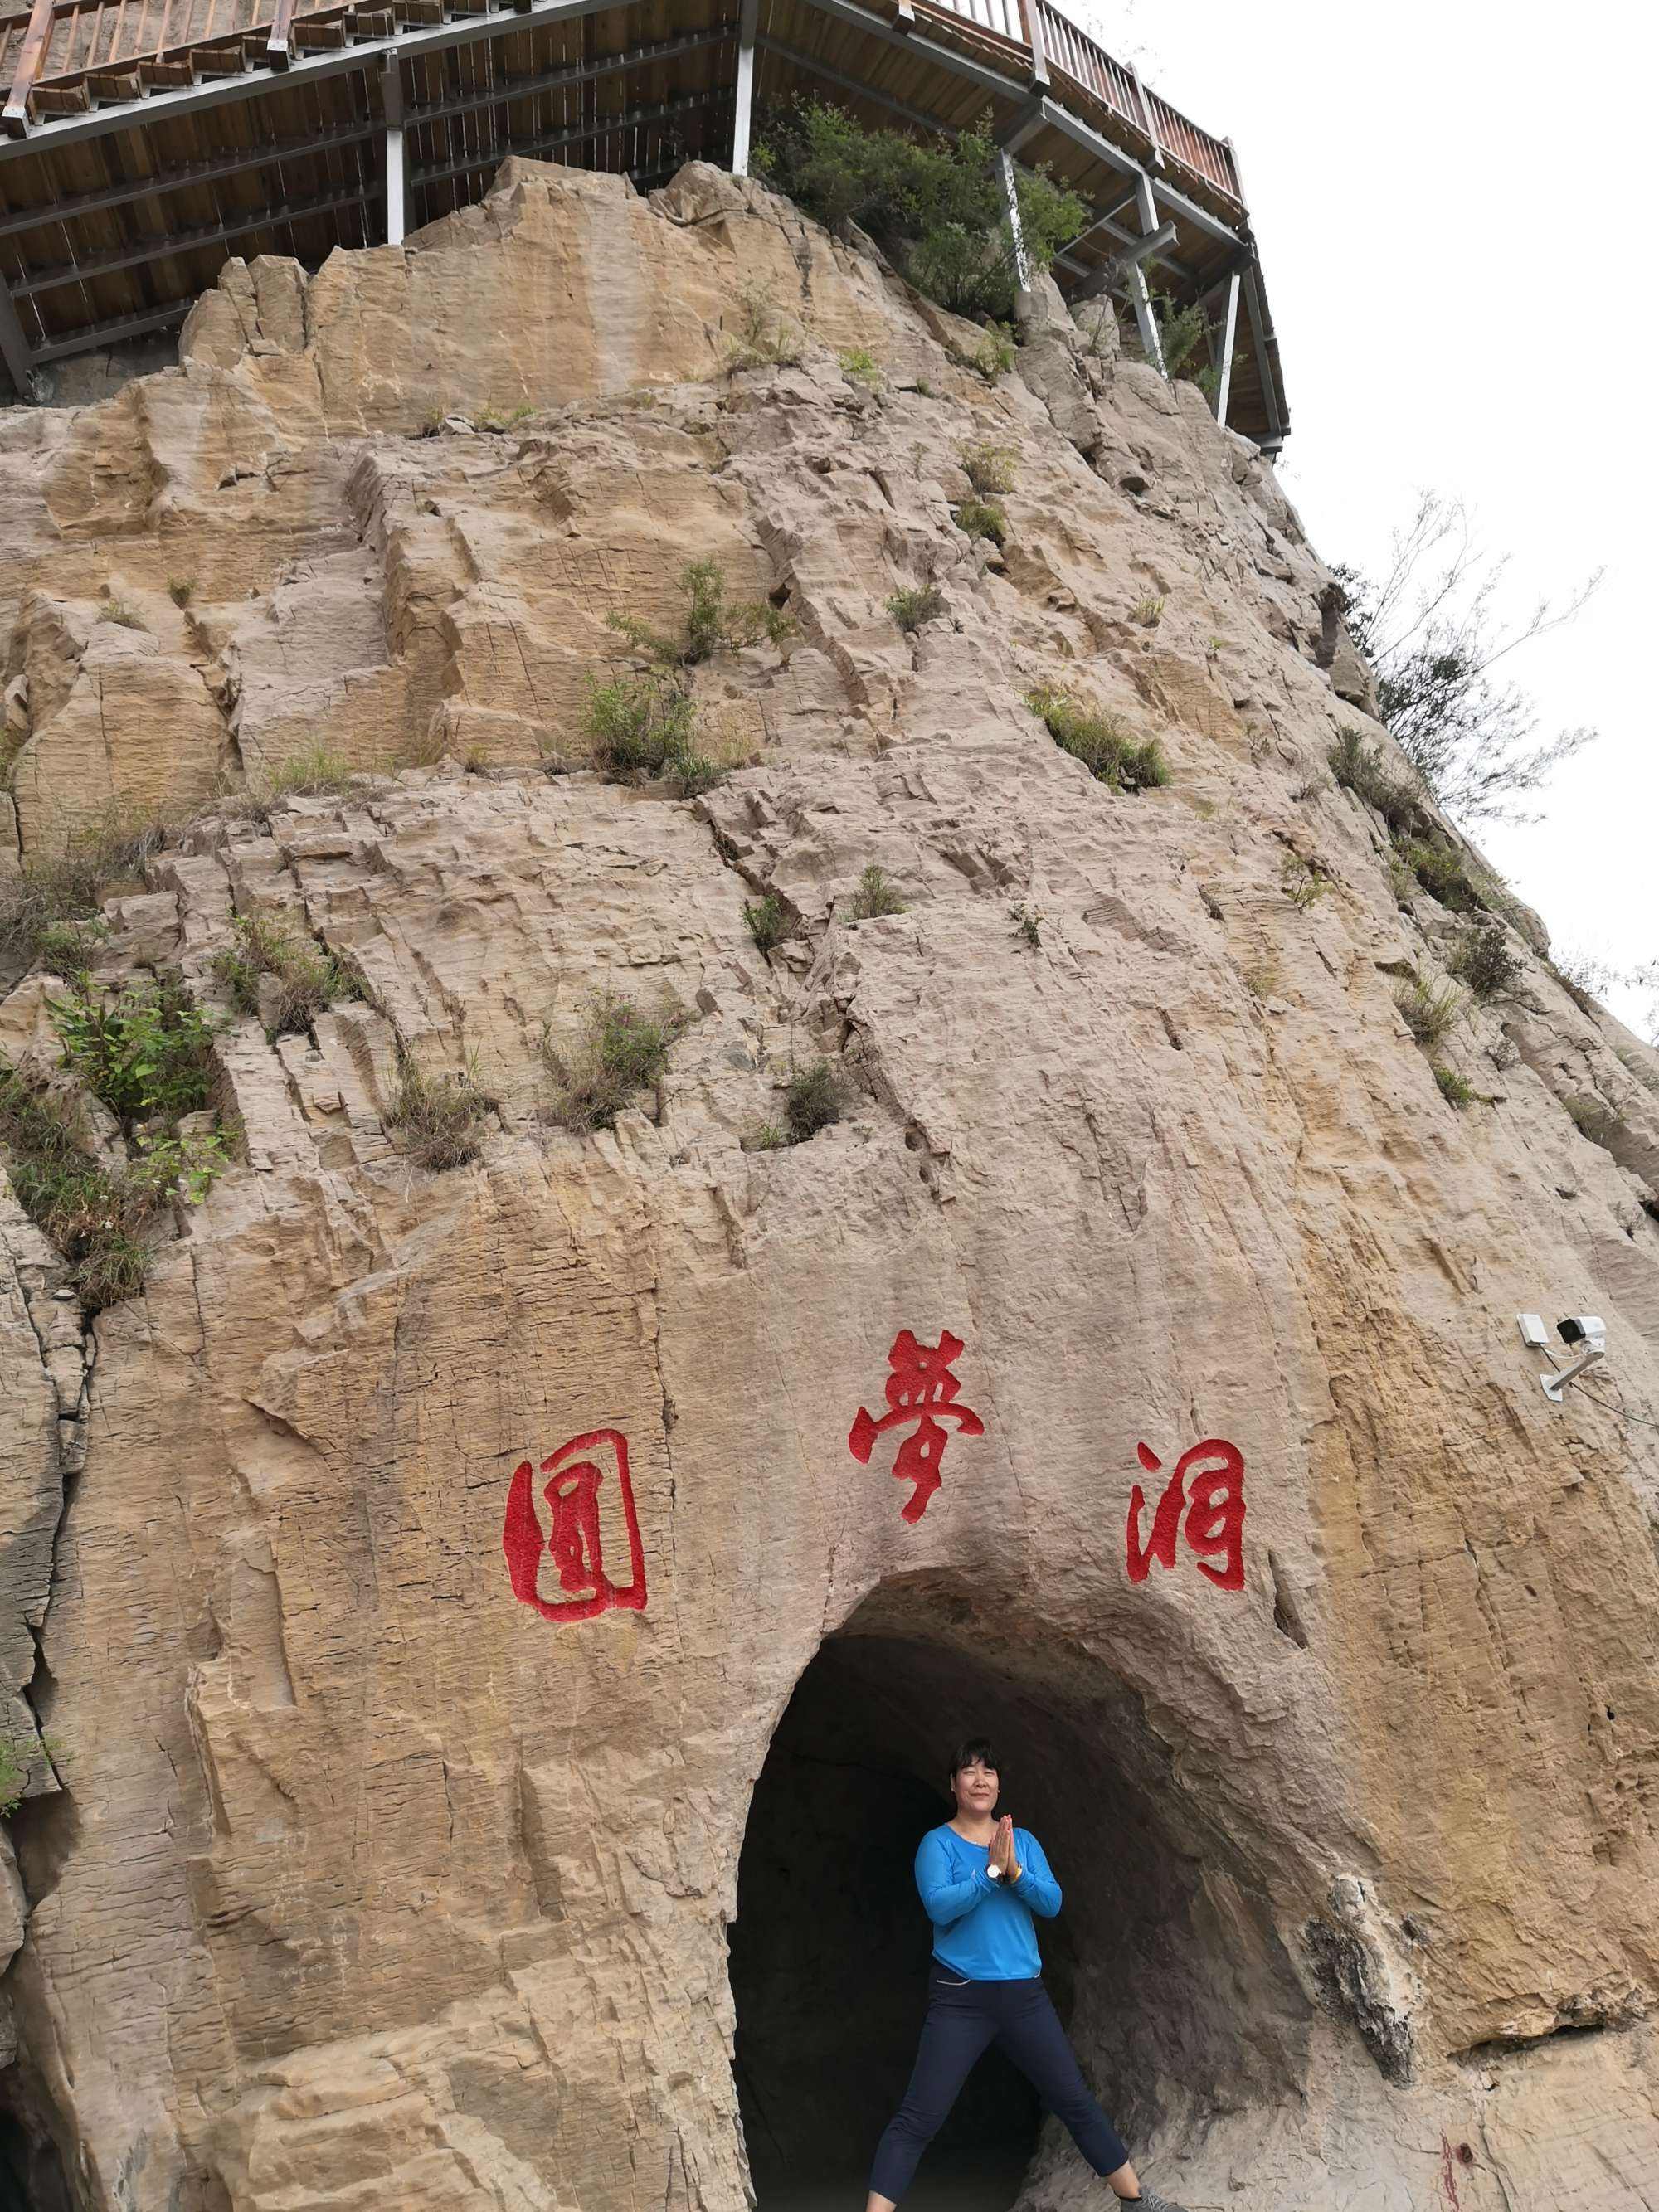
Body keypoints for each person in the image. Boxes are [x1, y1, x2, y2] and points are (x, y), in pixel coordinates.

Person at [864, 1738, 1187, 2211]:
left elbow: (1052, 1904)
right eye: (969, 1772)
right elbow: (939, 1907)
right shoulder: (937, 1844)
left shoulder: (1023, 1842)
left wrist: (1015, 1871)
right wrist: (988, 1874)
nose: (980, 1780)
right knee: (920, 2117)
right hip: (961, 1997)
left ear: (998, 1785)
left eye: (989, 1772)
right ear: (953, 1785)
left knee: (1074, 2100)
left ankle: (1136, 2202)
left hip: (1023, 1997)